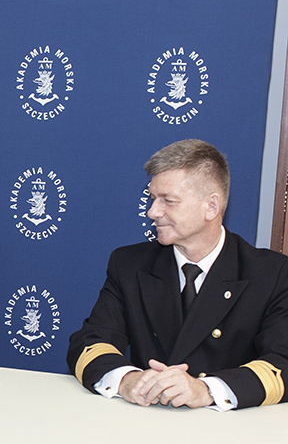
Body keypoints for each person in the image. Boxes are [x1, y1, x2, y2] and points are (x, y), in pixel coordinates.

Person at [68, 138, 288, 410]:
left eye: (168, 201)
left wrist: (206, 389)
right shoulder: (129, 264)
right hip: (145, 427)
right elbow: (90, 343)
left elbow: (283, 363)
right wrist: (128, 380)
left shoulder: (272, 274)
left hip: (228, 437)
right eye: (152, 198)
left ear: (211, 206)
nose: (152, 212)